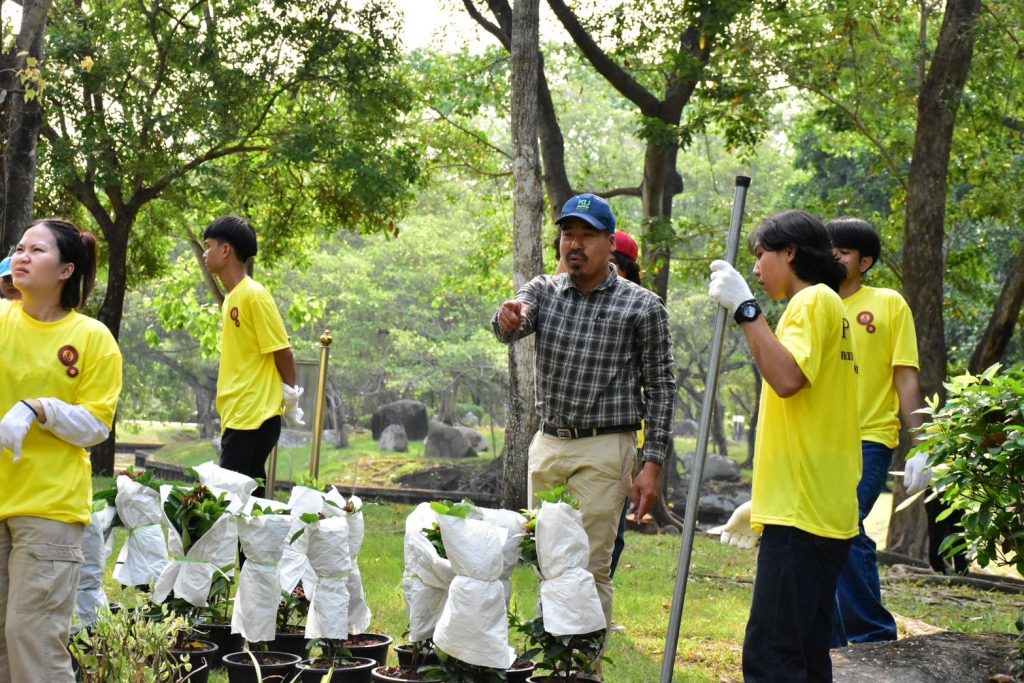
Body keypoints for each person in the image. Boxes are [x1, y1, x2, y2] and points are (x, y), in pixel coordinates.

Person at [492, 194, 675, 632]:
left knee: (589, 567)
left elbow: (663, 388)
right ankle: (551, 662)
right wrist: (507, 318)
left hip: (606, 447)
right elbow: (512, 321)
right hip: (550, 443)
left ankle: (582, 669)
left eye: (586, 235)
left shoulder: (642, 306)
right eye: (567, 235)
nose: (574, 244)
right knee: (548, 561)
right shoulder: (544, 291)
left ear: (610, 244)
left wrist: (652, 464)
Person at [707, 209, 860, 681]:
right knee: (808, 653)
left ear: (790, 252)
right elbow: (810, 416)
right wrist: (766, 500)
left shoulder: (813, 301)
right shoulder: (826, 305)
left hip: (804, 514)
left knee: (773, 656)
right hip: (813, 506)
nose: (755, 268)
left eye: (760, 255)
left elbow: (787, 378)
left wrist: (745, 308)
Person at [0, 218, 122, 682]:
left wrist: (39, 408)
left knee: (32, 642)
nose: (22, 256)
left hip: (50, 509)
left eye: (37, 250)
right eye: (19, 248)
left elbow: (95, 425)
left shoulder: (92, 338)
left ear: (66, 269)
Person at [826, 216, 929, 646]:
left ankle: (873, 634)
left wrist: (924, 443)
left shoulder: (888, 303)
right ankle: (831, 637)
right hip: (821, 441)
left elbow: (905, 376)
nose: (833, 256)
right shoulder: (815, 302)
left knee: (846, 523)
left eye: (843, 251)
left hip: (870, 438)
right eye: (828, 248)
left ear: (864, 261)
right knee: (829, 533)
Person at [202, 215, 303, 498]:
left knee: (230, 502)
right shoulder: (232, 298)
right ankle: (263, 545)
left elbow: (282, 350)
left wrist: (290, 394)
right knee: (250, 507)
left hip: (254, 417)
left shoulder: (254, 295)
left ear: (226, 250)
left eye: (208, 246)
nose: (204, 253)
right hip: (239, 415)